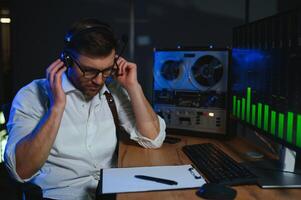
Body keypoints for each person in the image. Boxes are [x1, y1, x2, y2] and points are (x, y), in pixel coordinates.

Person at [4, 18, 166, 200]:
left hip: (110, 192)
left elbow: (153, 139)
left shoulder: (113, 90)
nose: (98, 80)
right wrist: (56, 108)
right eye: (89, 71)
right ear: (67, 60)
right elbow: (21, 171)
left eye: (107, 70)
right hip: (59, 196)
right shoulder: (31, 95)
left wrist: (133, 87)